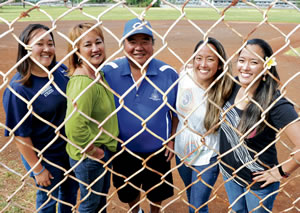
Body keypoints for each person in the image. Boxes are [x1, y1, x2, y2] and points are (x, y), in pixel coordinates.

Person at [102, 18, 178, 213]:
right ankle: (135, 211)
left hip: (157, 149)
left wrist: (172, 139)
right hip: (123, 148)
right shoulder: (108, 73)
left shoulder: (168, 74)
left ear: (153, 44)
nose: (139, 47)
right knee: (128, 192)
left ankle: (154, 211)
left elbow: (177, 112)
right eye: (132, 41)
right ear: (123, 44)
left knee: (157, 192)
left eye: (145, 41)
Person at [3, 24, 78, 212]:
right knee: (48, 201)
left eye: (50, 43)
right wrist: (38, 169)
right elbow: (20, 135)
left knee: (69, 196)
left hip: (68, 150)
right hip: (44, 156)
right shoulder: (19, 88)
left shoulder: (60, 71)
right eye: (39, 44)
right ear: (26, 48)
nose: (47, 49)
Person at [219, 38, 300, 212]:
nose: (245, 67)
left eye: (254, 62)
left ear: (266, 66)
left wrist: (280, 172)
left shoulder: (275, 103)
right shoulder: (232, 86)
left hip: (257, 182)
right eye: (242, 60)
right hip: (230, 173)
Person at [64, 22, 119, 213]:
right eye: (87, 45)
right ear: (76, 50)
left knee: (100, 201)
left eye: (98, 42)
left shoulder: (97, 74)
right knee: (90, 205)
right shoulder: (83, 82)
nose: (95, 48)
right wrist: (95, 152)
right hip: (90, 156)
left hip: (101, 152)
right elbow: (73, 127)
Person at [175, 37, 233, 212]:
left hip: (208, 154)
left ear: (220, 64)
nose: (203, 64)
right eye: (199, 58)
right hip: (181, 150)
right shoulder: (184, 76)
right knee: (191, 196)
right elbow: (176, 113)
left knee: (197, 206)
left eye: (210, 59)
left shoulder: (227, 89)